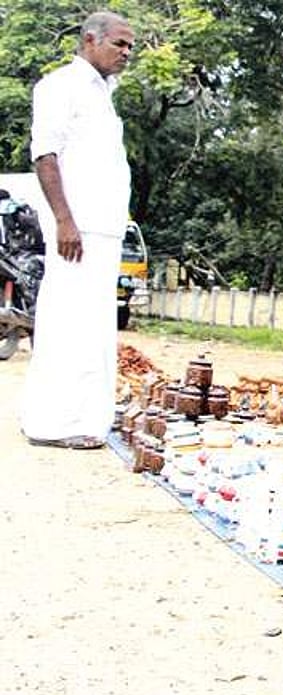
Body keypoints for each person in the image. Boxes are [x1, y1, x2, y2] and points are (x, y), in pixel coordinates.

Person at [20, 11, 135, 449]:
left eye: (130, 46)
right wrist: (65, 220)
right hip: (78, 229)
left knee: (94, 326)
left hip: (103, 229)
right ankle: (54, 424)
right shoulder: (60, 86)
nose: (126, 53)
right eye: (119, 44)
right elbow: (45, 155)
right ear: (90, 39)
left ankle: (87, 416)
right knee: (68, 322)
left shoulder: (104, 92)